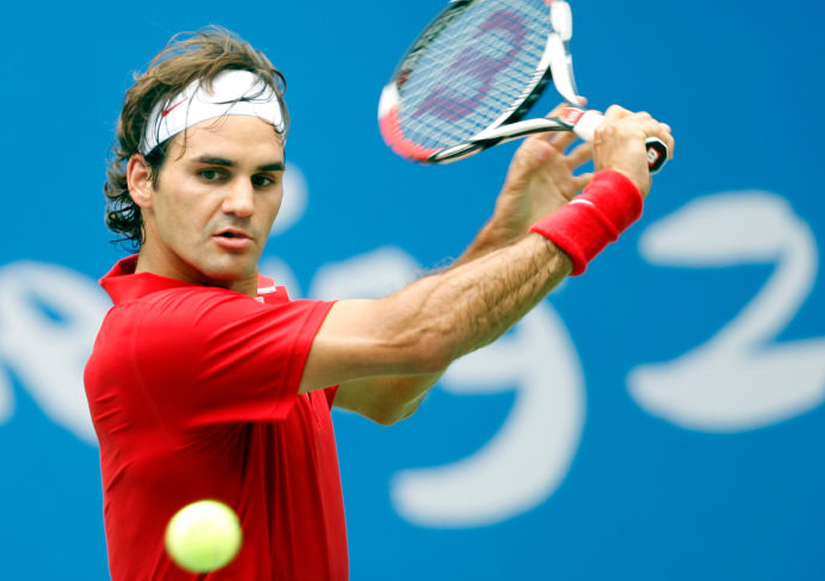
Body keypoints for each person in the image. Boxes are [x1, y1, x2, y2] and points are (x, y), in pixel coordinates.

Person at [84, 26, 673, 580]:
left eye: (263, 179)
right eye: (212, 174)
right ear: (143, 180)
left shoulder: (257, 314)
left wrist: (507, 235)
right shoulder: (159, 333)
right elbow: (419, 334)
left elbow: (393, 389)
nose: (242, 202)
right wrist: (609, 198)